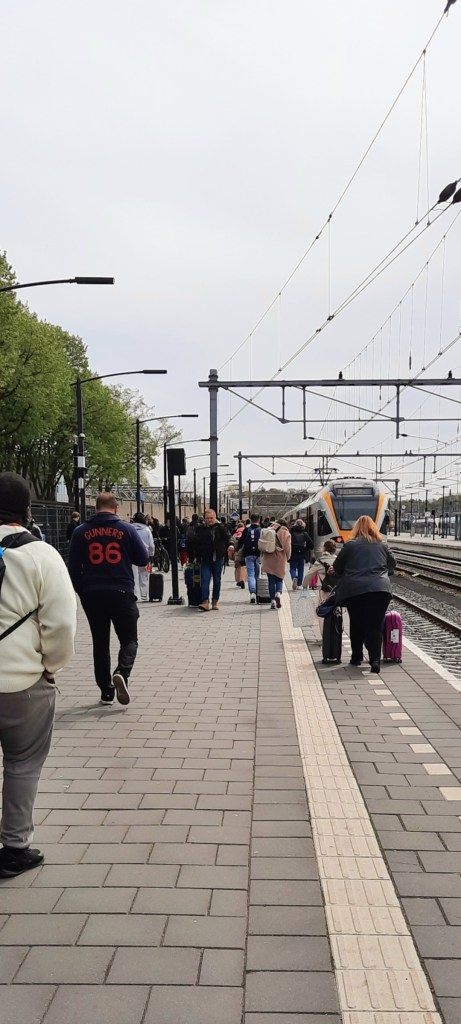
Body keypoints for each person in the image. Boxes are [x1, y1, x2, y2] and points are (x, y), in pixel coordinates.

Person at [0, 472, 76, 877]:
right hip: (21, 681)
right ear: (27, 510)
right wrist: (51, 667)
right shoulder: (41, 555)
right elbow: (61, 623)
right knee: (22, 763)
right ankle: (14, 848)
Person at [68, 492, 149, 706]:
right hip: (121, 590)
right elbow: (143, 558)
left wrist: (82, 591)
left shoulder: (80, 531)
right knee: (129, 639)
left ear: (95, 508)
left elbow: (73, 567)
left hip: (92, 592)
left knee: (100, 642)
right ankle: (122, 672)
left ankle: (106, 691)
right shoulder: (126, 529)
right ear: (116, 508)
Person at [333, 515, 396, 673]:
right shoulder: (382, 545)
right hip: (380, 590)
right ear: (373, 528)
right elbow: (392, 564)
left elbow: (338, 566)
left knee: (356, 622)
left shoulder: (350, 545)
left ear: (356, 529)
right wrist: (384, 572)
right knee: (375, 625)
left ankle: (357, 656)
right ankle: (375, 660)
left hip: (355, 590)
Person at [193, 508, 229, 611]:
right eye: (207, 518)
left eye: (211, 518)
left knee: (217, 580)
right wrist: (196, 555)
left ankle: (215, 601)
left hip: (218, 558)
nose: (209, 520)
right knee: (205, 579)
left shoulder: (221, 527)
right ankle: (205, 601)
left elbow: (228, 537)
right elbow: (196, 542)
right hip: (206, 558)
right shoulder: (201, 528)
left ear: (215, 517)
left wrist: (230, 546)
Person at [260, 520, 291, 609]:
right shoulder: (286, 533)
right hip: (280, 559)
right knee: (279, 578)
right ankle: (278, 593)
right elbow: (287, 548)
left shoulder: (269, 530)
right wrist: (288, 557)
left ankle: (272, 601)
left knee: (271, 580)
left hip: (268, 557)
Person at [131, 512, 154, 601]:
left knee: (134, 575)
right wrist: (151, 554)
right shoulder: (147, 529)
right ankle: (144, 594)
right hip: (144, 553)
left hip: (132, 554)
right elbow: (151, 545)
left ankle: (135, 594)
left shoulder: (130, 529)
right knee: (144, 574)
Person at [238, 513, 261, 604]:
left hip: (248, 554)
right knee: (257, 574)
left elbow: (241, 542)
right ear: (259, 520)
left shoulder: (246, 530)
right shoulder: (261, 530)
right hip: (258, 554)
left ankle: (252, 593)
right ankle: (258, 592)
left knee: (250, 574)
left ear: (251, 520)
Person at [289, 518, 314, 590]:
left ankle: (294, 577)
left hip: (293, 553)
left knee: (292, 568)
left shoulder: (291, 533)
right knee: (301, 569)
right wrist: (306, 548)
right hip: (302, 553)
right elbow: (311, 545)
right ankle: (299, 584)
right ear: (303, 525)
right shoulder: (305, 533)